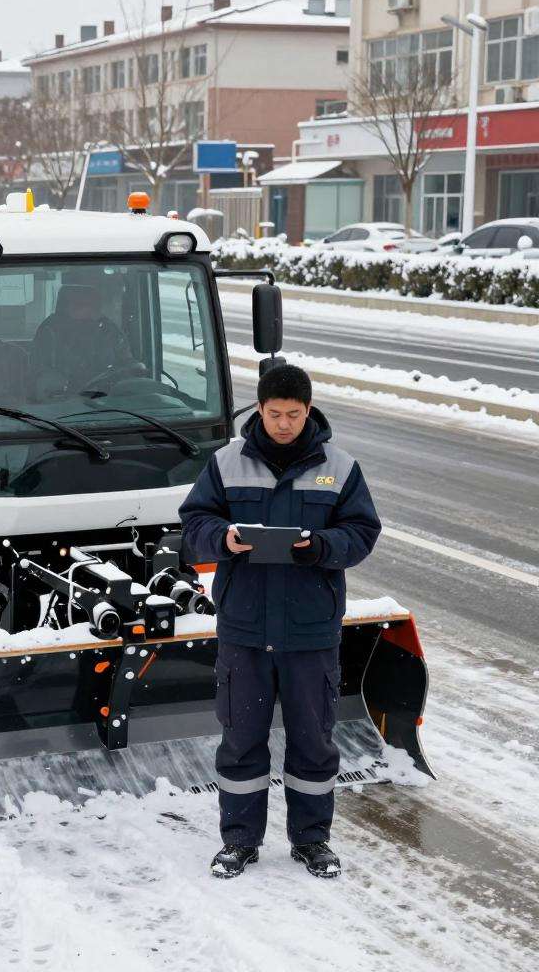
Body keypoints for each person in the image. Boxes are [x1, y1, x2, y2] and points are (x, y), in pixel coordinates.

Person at [179, 364, 381, 879]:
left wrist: (321, 547)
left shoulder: (340, 466)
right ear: (261, 408)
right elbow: (195, 522)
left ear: (308, 411)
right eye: (275, 414)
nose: (284, 424)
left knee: (313, 741)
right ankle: (240, 841)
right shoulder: (227, 462)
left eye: (294, 414)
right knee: (242, 738)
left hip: (310, 631)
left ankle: (312, 841)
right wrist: (222, 538)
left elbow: (361, 532)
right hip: (244, 628)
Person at [30, 281, 137, 398]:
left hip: (106, 401)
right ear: (66, 305)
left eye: (90, 304)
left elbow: (126, 364)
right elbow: (38, 371)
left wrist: (133, 369)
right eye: (78, 304)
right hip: (58, 401)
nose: (85, 308)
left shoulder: (109, 330)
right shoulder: (49, 330)